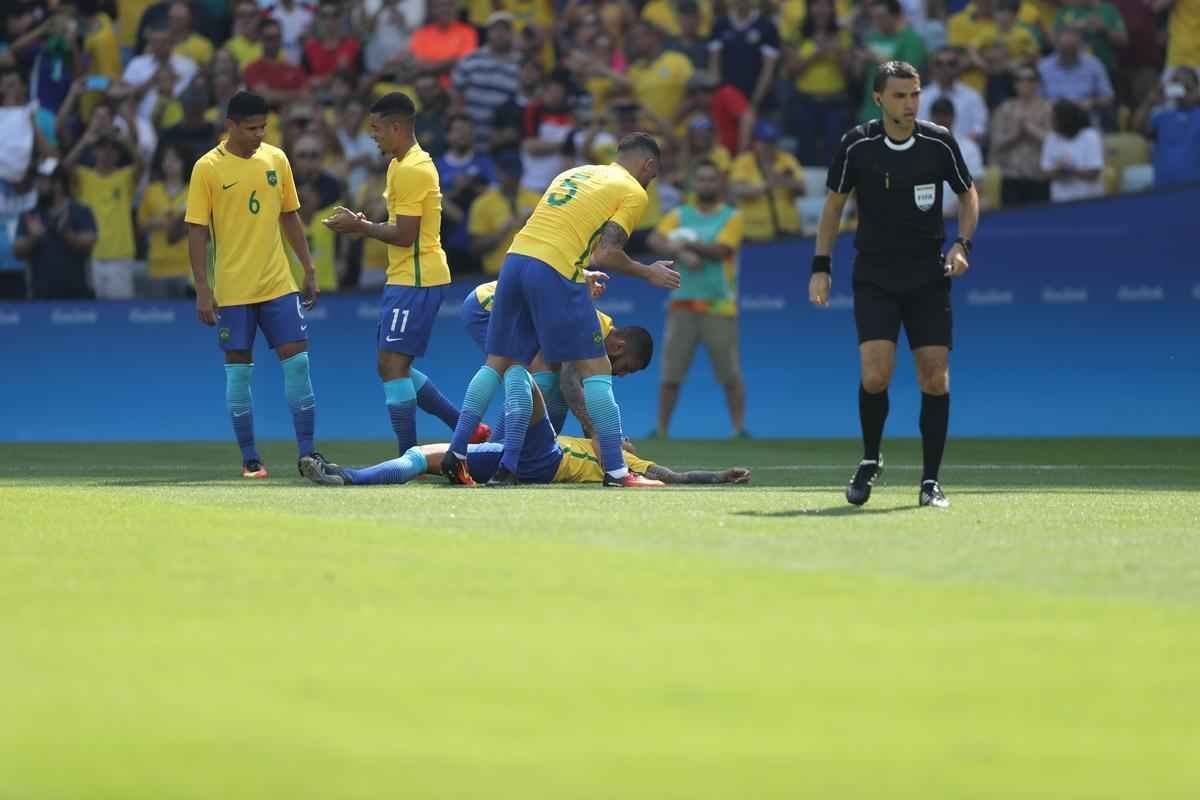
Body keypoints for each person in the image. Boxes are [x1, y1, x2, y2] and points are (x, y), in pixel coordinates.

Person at [441, 132, 682, 488]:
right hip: (553, 270)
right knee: (596, 368)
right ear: (647, 164)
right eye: (653, 174)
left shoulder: (573, 173)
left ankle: (458, 454)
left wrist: (581, 271)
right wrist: (649, 272)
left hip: (516, 260)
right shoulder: (632, 190)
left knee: (499, 362)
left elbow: (552, 233)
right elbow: (607, 253)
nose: (651, 181)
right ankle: (617, 472)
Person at [809, 61, 980, 509]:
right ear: (879, 99)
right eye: (900, 95)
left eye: (915, 94)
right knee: (876, 374)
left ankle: (930, 482)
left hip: (928, 275)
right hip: (876, 276)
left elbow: (967, 193)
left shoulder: (939, 142)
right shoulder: (857, 145)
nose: (910, 103)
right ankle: (870, 459)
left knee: (935, 379)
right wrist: (820, 266)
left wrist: (962, 243)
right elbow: (833, 208)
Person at [321, 92, 487, 456]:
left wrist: (360, 228)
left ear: (397, 128)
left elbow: (405, 233)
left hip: (417, 276)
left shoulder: (413, 168)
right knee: (391, 365)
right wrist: (363, 222)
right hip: (403, 275)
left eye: (377, 129)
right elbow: (398, 225)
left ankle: (407, 456)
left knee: (393, 365)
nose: (372, 136)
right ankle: (468, 429)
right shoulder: (399, 164)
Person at [184, 90, 325, 479]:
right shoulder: (207, 168)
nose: (259, 134)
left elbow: (290, 217)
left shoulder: (276, 159)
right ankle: (250, 457)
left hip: (278, 283)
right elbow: (197, 231)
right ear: (230, 126)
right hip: (232, 290)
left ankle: (309, 453)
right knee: (239, 373)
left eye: (264, 127)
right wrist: (202, 287)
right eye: (251, 128)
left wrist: (308, 267)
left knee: (298, 364)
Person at [299, 390, 750, 487]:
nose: (623, 438)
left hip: (546, 461)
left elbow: (674, 475)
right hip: (521, 456)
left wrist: (718, 477)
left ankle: (504, 358)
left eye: (623, 437)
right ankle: (347, 476)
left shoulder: (626, 464)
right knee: (425, 456)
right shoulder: (590, 441)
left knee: (527, 383)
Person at [460, 277, 655, 436]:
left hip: (508, 306)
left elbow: (578, 396)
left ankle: (541, 445)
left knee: (549, 374)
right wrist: (600, 434)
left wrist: (601, 437)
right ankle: (499, 446)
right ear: (619, 347)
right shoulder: (589, 331)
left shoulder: (599, 334)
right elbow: (569, 386)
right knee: (524, 375)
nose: (621, 374)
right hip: (485, 306)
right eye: (627, 368)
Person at [647, 160, 747, 438]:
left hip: (719, 305)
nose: (706, 184)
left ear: (720, 184)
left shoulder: (731, 216)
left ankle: (738, 430)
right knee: (670, 375)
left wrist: (684, 245)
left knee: (730, 375)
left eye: (711, 180)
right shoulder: (680, 214)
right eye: (701, 180)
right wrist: (678, 252)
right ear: (695, 185)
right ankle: (662, 431)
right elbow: (655, 239)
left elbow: (721, 250)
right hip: (682, 304)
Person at [61, 118, 142, 300]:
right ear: (94, 151)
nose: (106, 152)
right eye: (101, 147)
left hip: (120, 256)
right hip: (92, 256)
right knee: (94, 314)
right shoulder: (84, 176)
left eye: (112, 148)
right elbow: (64, 169)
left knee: (121, 316)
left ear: (118, 154)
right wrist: (85, 141)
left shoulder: (125, 176)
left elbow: (141, 165)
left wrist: (122, 140)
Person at [14, 160, 97, 299]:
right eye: (38, 180)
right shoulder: (30, 215)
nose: (38, 185)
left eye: (43, 181)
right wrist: (33, 238)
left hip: (77, 298)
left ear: (58, 184)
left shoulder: (80, 211)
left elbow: (90, 241)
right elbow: (17, 250)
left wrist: (68, 234)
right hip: (40, 296)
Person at [451, 11, 521, 152]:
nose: (500, 33)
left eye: (505, 29)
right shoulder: (470, 59)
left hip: (503, 144)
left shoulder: (520, 65)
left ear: (512, 34)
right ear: (488, 32)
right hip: (469, 139)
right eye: (495, 29)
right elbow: (455, 94)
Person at [729, 120, 805, 241]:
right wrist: (766, 185)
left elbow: (802, 188)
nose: (769, 146)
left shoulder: (787, 159)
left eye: (772, 141)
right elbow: (738, 190)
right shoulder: (744, 161)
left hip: (789, 231)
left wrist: (783, 181)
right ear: (755, 142)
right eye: (765, 142)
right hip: (754, 235)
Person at [988, 65, 1052, 206]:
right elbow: (996, 143)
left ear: (1037, 83)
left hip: (1039, 177)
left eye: (1030, 79)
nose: (1025, 83)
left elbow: (1054, 143)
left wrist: (1031, 130)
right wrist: (1015, 135)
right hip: (1011, 178)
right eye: (1020, 79)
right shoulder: (1004, 109)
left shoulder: (1048, 108)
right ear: (1014, 83)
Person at [137, 141, 192, 296]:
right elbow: (141, 225)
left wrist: (178, 222)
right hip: (158, 265)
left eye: (175, 159)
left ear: (184, 163)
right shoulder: (151, 191)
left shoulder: (194, 191)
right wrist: (159, 222)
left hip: (186, 265)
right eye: (166, 159)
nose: (169, 163)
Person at [1040, 98, 1104, 202]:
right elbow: (1045, 173)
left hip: (1089, 199)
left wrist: (1069, 169)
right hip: (1060, 200)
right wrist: (1059, 170)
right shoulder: (1051, 138)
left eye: (1054, 119)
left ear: (1066, 119)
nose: (1051, 123)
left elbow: (1094, 173)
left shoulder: (1090, 136)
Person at [929, 98, 984, 217]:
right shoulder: (920, 148)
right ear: (931, 117)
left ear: (953, 117)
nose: (942, 119)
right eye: (938, 115)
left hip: (958, 216)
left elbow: (978, 184)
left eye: (946, 115)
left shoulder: (969, 147)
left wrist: (955, 210)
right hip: (927, 217)